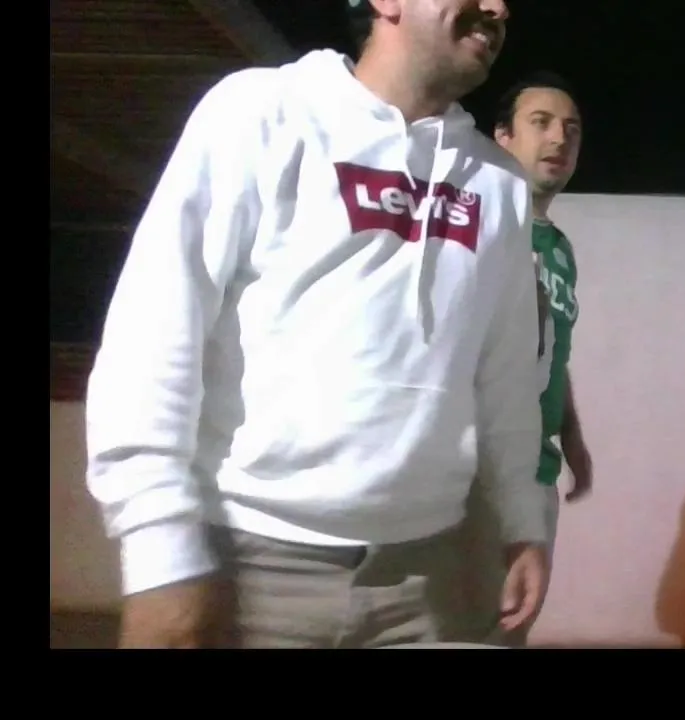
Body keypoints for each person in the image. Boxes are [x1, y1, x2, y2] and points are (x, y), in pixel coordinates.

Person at [83, 0, 552, 649]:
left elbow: (506, 375)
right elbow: (155, 331)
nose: (498, 7)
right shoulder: (262, 113)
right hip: (247, 571)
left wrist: (524, 524)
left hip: (427, 581)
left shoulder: (498, 184)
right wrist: (158, 549)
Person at [457, 71, 591, 647]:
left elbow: (550, 348)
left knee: (509, 631)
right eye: (541, 123)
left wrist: (573, 438)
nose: (559, 138)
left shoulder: (559, 249)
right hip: (472, 475)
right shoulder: (472, 226)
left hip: (536, 470)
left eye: (571, 129)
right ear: (502, 136)